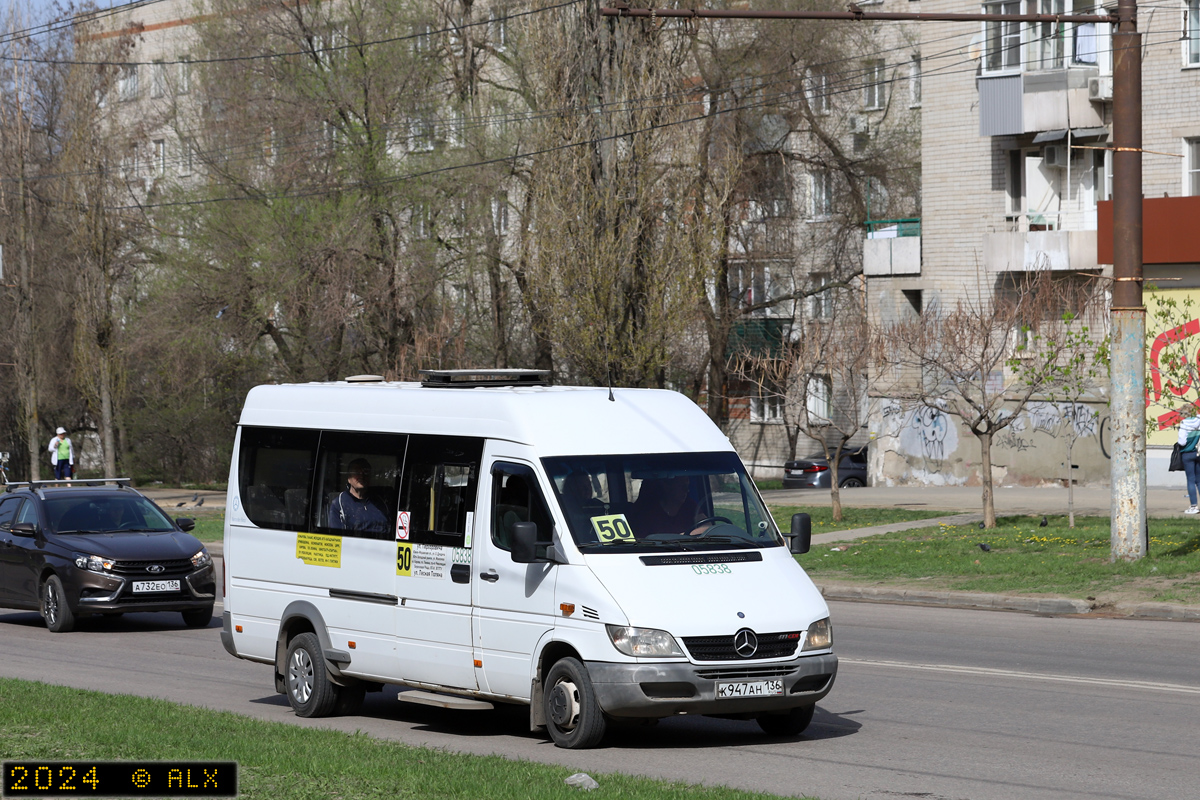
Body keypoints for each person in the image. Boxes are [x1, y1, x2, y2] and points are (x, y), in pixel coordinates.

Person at [327, 458, 388, 534]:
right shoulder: (339, 504)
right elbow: (336, 536)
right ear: (349, 478)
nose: (361, 476)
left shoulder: (380, 502)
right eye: (357, 472)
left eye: (365, 472)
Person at [629, 476, 700, 535]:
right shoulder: (648, 514)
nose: (686, 490)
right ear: (666, 486)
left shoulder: (689, 505)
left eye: (687, 486)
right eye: (681, 486)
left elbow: (706, 526)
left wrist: (684, 536)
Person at [1179, 412, 1200, 514]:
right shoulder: (1199, 421)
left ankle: (1194, 506)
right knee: (1199, 480)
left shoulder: (1184, 425)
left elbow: (1182, 442)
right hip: (1198, 453)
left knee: (1190, 480)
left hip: (1187, 453)